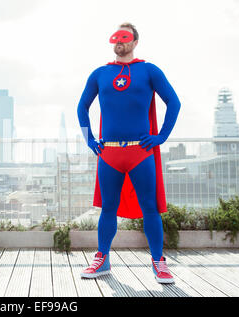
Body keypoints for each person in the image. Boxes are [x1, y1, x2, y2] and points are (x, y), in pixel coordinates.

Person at [76, 22, 181, 284]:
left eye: (125, 38)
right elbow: (82, 107)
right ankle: (102, 259)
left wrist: (161, 137)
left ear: (135, 42)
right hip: (109, 153)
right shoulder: (100, 73)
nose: (119, 42)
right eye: (116, 38)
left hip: (140, 152)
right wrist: (90, 140)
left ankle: (159, 262)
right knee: (107, 208)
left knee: (150, 208)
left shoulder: (149, 70)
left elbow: (174, 102)